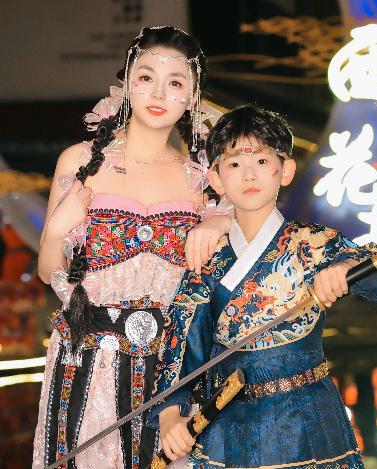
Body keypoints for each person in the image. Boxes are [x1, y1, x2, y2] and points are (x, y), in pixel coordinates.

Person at [148, 105, 377, 468]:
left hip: (308, 420)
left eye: (263, 161)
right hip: (228, 428)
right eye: (234, 164)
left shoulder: (311, 243)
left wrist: (344, 268)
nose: (249, 174)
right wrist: (171, 416)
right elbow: (181, 346)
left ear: (286, 170)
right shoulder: (209, 261)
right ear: (216, 179)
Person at [33, 26, 232, 468]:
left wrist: (221, 220)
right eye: (146, 77)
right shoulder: (81, 161)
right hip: (88, 364)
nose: (159, 93)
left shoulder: (202, 178)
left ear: (192, 97)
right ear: (126, 83)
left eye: (175, 82)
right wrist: (58, 227)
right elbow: (49, 271)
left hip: (171, 372)